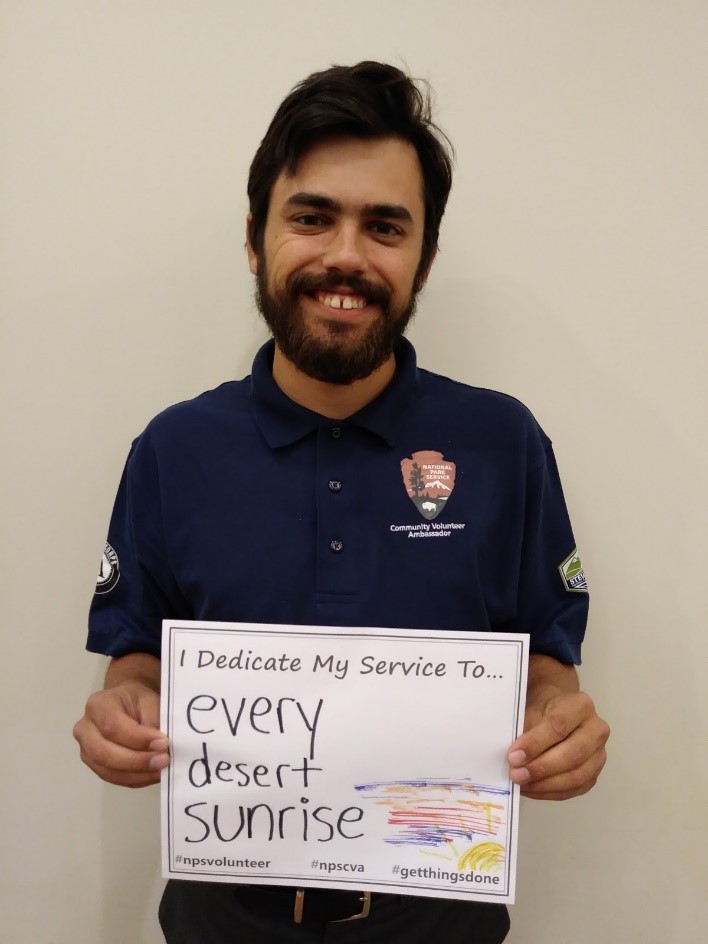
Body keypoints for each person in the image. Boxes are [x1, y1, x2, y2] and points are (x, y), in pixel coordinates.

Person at [74, 61, 609, 944]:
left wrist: (561, 727)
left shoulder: (504, 443)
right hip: (223, 916)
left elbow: (547, 659)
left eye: (385, 226)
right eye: (312, 217)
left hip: (441, 914)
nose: (347, 256)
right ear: (256, 239)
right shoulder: (174, 449)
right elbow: (137, 658)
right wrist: (121, 713)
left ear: (424, 257)